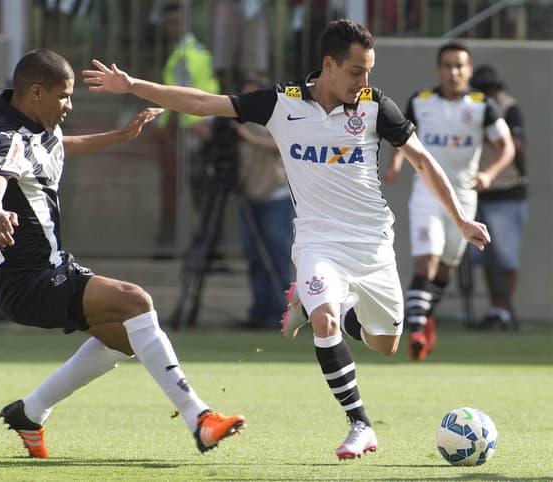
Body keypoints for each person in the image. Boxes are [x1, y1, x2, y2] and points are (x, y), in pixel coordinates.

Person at [83, 19, 491, 460]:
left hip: (373, 246)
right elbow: (203, 103)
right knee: (326, 324)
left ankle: (319, 303)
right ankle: (360, 424)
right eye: (357, 71)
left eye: (369, 71)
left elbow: (424, 162)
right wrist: (132, 85)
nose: (365, 81)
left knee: (386, 343)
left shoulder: (376, 106)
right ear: (329, 65)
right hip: (318, 243)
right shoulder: (281, 103)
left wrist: (462, 220)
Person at [0, 48, 245, 458]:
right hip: (29, 280)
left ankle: (31, 411)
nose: (70, 104)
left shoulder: (16, 114)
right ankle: (200, 418)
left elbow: (52, 148)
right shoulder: (10, 138)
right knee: (136, 302)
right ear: (36, 92)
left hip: (43, 270)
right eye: (64, 96)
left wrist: (119, 136)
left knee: (125, 338)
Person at [384, 42, 515, 360]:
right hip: (426, 195)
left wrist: (489, 174)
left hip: (464, 198)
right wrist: (395, 165)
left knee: (444, 269)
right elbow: (403, 138)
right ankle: (415, 330)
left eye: (459, 66)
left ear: (468, 70)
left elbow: (507, 146)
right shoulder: (420, 101)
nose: (453, 71)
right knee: (426, 261)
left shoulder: (483, 105)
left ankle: (424, 316)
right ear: (438, 69)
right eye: (447, 65)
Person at [152, 1, 220, 256]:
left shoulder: (185, 55)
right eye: (168, 23)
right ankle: (204, 245)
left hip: (192, 130)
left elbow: (182, 98)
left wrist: (189, 127)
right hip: (194, 126)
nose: (172, 28)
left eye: (175, 22)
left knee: (194, 191)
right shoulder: (191, 51)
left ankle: (201, 245)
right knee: (194, 191)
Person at [468, 64, 527, 330]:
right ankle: (495, 308)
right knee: (483, 256)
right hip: (479, 190)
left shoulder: (506, 107)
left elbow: (516, 146)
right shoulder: (471, 107)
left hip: (507, 190)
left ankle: (503, 311)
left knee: (505, 256)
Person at [234, 77, 294, 330]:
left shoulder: (276, 118)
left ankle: (281, 314)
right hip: (249, 196)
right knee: (255, 257)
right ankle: (260, 312)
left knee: (277, 256)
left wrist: (246, 136)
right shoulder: (237, 120)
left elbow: (281, 146)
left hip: (274, 195)